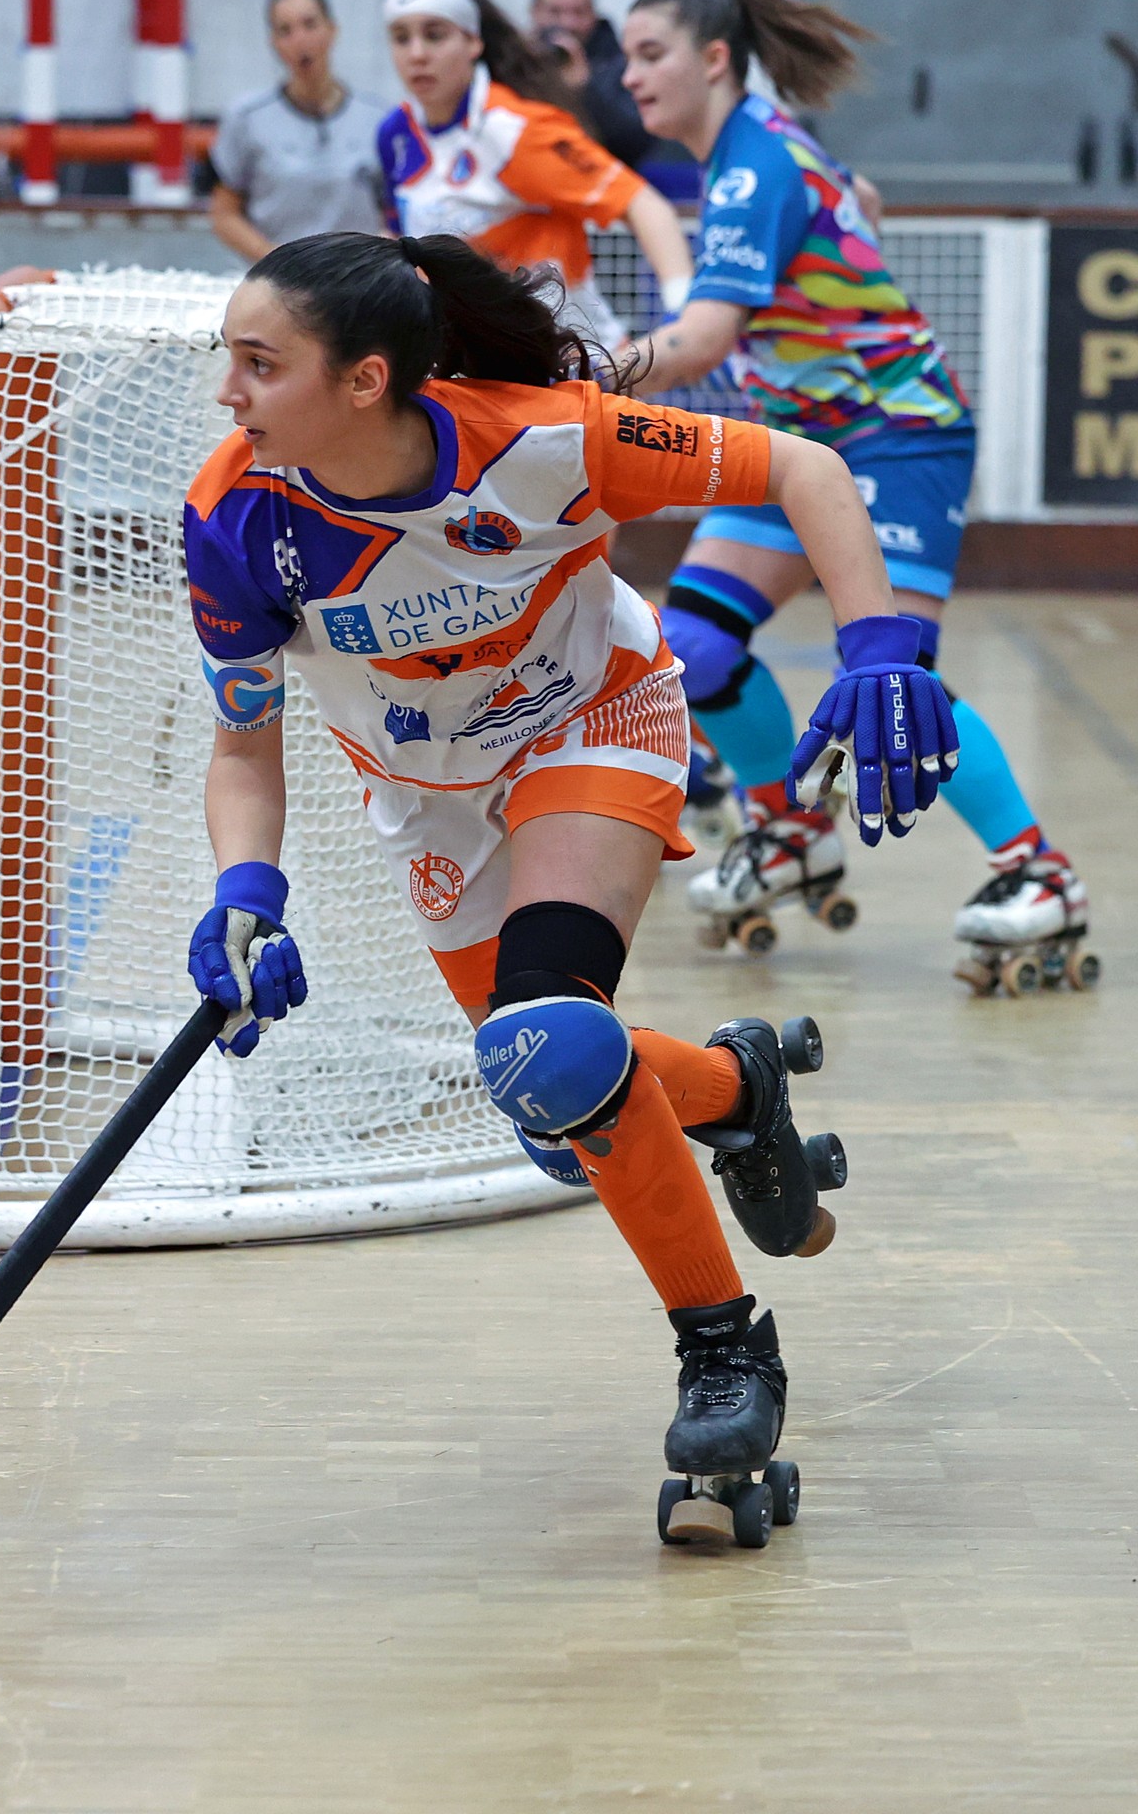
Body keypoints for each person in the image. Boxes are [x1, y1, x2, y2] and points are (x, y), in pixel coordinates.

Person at [183, 231, 954, 1532]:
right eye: (230, 359)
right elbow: (242, 749)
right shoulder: (234, 520)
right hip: (428, 796)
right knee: (553, 1095)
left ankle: (726, 1354)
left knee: (547, 1038)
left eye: (261, 363)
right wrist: (245, 889)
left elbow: (806, 467)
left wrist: (880, 645)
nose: (229, 391)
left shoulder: (545, 442)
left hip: (593, 723)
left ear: (365, 380)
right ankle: (737, 1087)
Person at [614, 0, 1091, 994]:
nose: (630, 76)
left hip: (894, 436)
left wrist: (578, 376)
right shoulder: (760, 148)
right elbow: (859, 199)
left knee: (890, 676)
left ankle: (1039, 871)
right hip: (799, 444)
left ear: (714, 59)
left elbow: (700, 340)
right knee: (689, 648)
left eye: (650, 54)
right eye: (626, 57)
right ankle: (791, 832)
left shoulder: (752, 167)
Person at [374, 0, 692, 358]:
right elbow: (399, 238)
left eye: (435, 35)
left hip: (575, 365)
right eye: (400, 38)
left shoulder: (515, 131)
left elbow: (643, 204)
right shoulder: (395, 134)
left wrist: (683, 314)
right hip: (472, 365)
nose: (417, 54)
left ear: (473, 42)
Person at [204, 0, 387, 262]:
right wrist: (276, 261)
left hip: (360, 277)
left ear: (332, 30)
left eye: (310, 25)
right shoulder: (247, 118)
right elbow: (223, 214)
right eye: (285, 30)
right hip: (279, 277)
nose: (300, 40)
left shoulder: (378, 118)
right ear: (273, 43)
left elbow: (397, 211)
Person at [526, 0, 660, 176]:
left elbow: (638, 141)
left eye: (579, 12)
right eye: (555, 12)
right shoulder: (516, 62)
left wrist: (586, 87)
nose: (568, 23)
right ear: (534, 12)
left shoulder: (622, 64)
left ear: (593, 13)